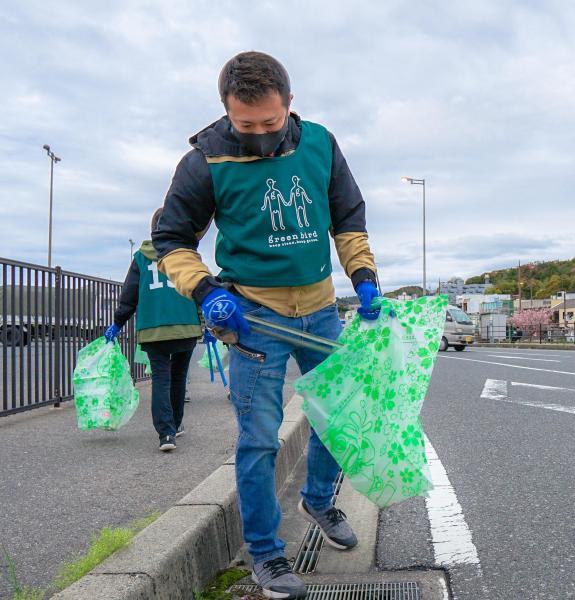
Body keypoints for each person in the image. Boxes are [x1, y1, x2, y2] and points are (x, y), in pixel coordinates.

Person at [152, 51, 380, 599]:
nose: (257, 135)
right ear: (226, 110)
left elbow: (347, 219)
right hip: (253, 315)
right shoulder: (204, 162)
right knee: (258, 440)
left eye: (270, 124)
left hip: (322, 307)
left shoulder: (321, 144)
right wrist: (206, 293)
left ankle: (319, 500)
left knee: (340, 414)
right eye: (244, 124)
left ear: (290, 104)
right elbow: (172, 241)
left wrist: (365, 275)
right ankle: (267, 556)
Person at [105, 208, 202, 452]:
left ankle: (166, 434)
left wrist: (117, 323)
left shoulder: (140, 257)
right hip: (185, 326)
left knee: (161, 378)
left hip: (153, 329)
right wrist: (206, 323)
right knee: (179, 376)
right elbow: (199, 289)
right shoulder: (188, 254)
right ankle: (176, 425)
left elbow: (129, 296)